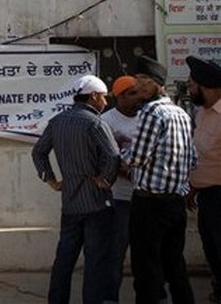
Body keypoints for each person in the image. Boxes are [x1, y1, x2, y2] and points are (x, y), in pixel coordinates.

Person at [32, 74, 119, 304]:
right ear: (93, 96)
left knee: (64, 261)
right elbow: (113, 156)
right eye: (103, 97)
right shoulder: (96, 123)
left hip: (70, 205)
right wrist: (106, 180)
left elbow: (38, 152)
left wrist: (50, 180)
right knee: (95, 263)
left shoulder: (57, 121)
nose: (106, 102)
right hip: (96, 204)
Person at [123, 55, 196, 304]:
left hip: (149, 203)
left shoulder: (150, 113)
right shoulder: (182, 114)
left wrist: (120, 151)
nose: (139, 85)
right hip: (175, 201)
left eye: (145, 80)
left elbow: (137, 158)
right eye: (138, 79)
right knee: (175, 264)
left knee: (146, 268)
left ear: (158, 84)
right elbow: (193, 159)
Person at [100, 75, 144, 304]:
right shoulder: (107, 121)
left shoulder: (148, 119)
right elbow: (105, 158)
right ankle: (110, 298)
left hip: (146, 197)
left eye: (139, 92)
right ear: (120, 97)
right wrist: (125, 170)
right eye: (132, 93)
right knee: (115, 253)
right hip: (120, 199)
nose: (139, 97)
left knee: (146, 254)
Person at [186, 56, 221, 304]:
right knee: (212, 250)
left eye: (192, 84)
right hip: (206, 197)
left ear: (207, 86)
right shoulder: (202, 113)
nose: (189, 88)